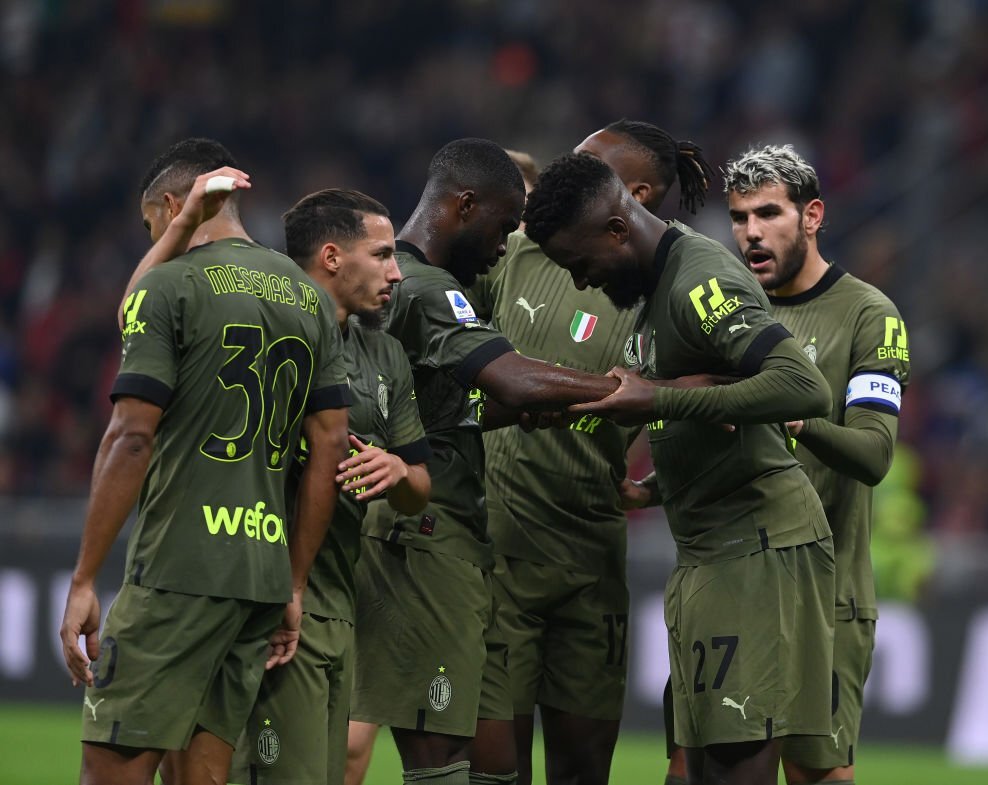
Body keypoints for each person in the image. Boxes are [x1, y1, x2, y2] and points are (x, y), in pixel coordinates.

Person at [522, 152, 836, 785]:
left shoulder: (699, 281)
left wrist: (659, 397)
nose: (583, 283)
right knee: (690, 768)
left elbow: (803, 388)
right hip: (709, 548)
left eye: (582, 264)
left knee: (731, 766)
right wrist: (654, 488)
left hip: (756, 544)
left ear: (617, 229)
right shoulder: (656, 283)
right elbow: (726, 414)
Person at [58, 138, 351, 785]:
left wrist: (84, 578)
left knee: (110, 769)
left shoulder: (169, 287)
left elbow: (132, 437)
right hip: (261, 574)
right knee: (204, 775)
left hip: (179, 568)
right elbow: (329, 446)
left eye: (150, 227)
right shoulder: (309, 300)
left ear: (170, 206)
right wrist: (296, 583)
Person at [350, 138, 639, 785]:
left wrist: (533, 407)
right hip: (425, 538)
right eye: (505, 226)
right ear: (465, 204)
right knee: (439, 755)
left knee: (490, 761)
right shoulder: (426, 289)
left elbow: (454, 410)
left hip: (450, 539)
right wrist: (626, 390)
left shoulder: (400, 282)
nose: (507, 244)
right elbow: (509, 379)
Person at [469, 120, 713, 785]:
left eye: (580, 167)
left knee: (581, 771)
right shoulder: (514, 252)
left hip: (590, 560)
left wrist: (658, 481)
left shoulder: (670, 284)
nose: (557, 176)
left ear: (628, 197)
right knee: (496, 770)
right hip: (499, 554)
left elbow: (718, 392)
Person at [222, 188, 432, 784]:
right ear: (334, 258)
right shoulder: (263, 335)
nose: (396, 272)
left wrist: (397, 471)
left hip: (342, 602)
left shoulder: (385, 353)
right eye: (383, 255)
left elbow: (420, 485)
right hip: (271, 597)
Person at [723, 144, 910, 785]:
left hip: (824, 596)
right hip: (731, 591)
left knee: (815, 774)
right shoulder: (730, 313)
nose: (751, 232)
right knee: (702, 767)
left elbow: (874, 454)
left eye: (769, 212)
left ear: (812, 216)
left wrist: (796, 417)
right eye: (739, 216)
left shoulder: (869, 315)